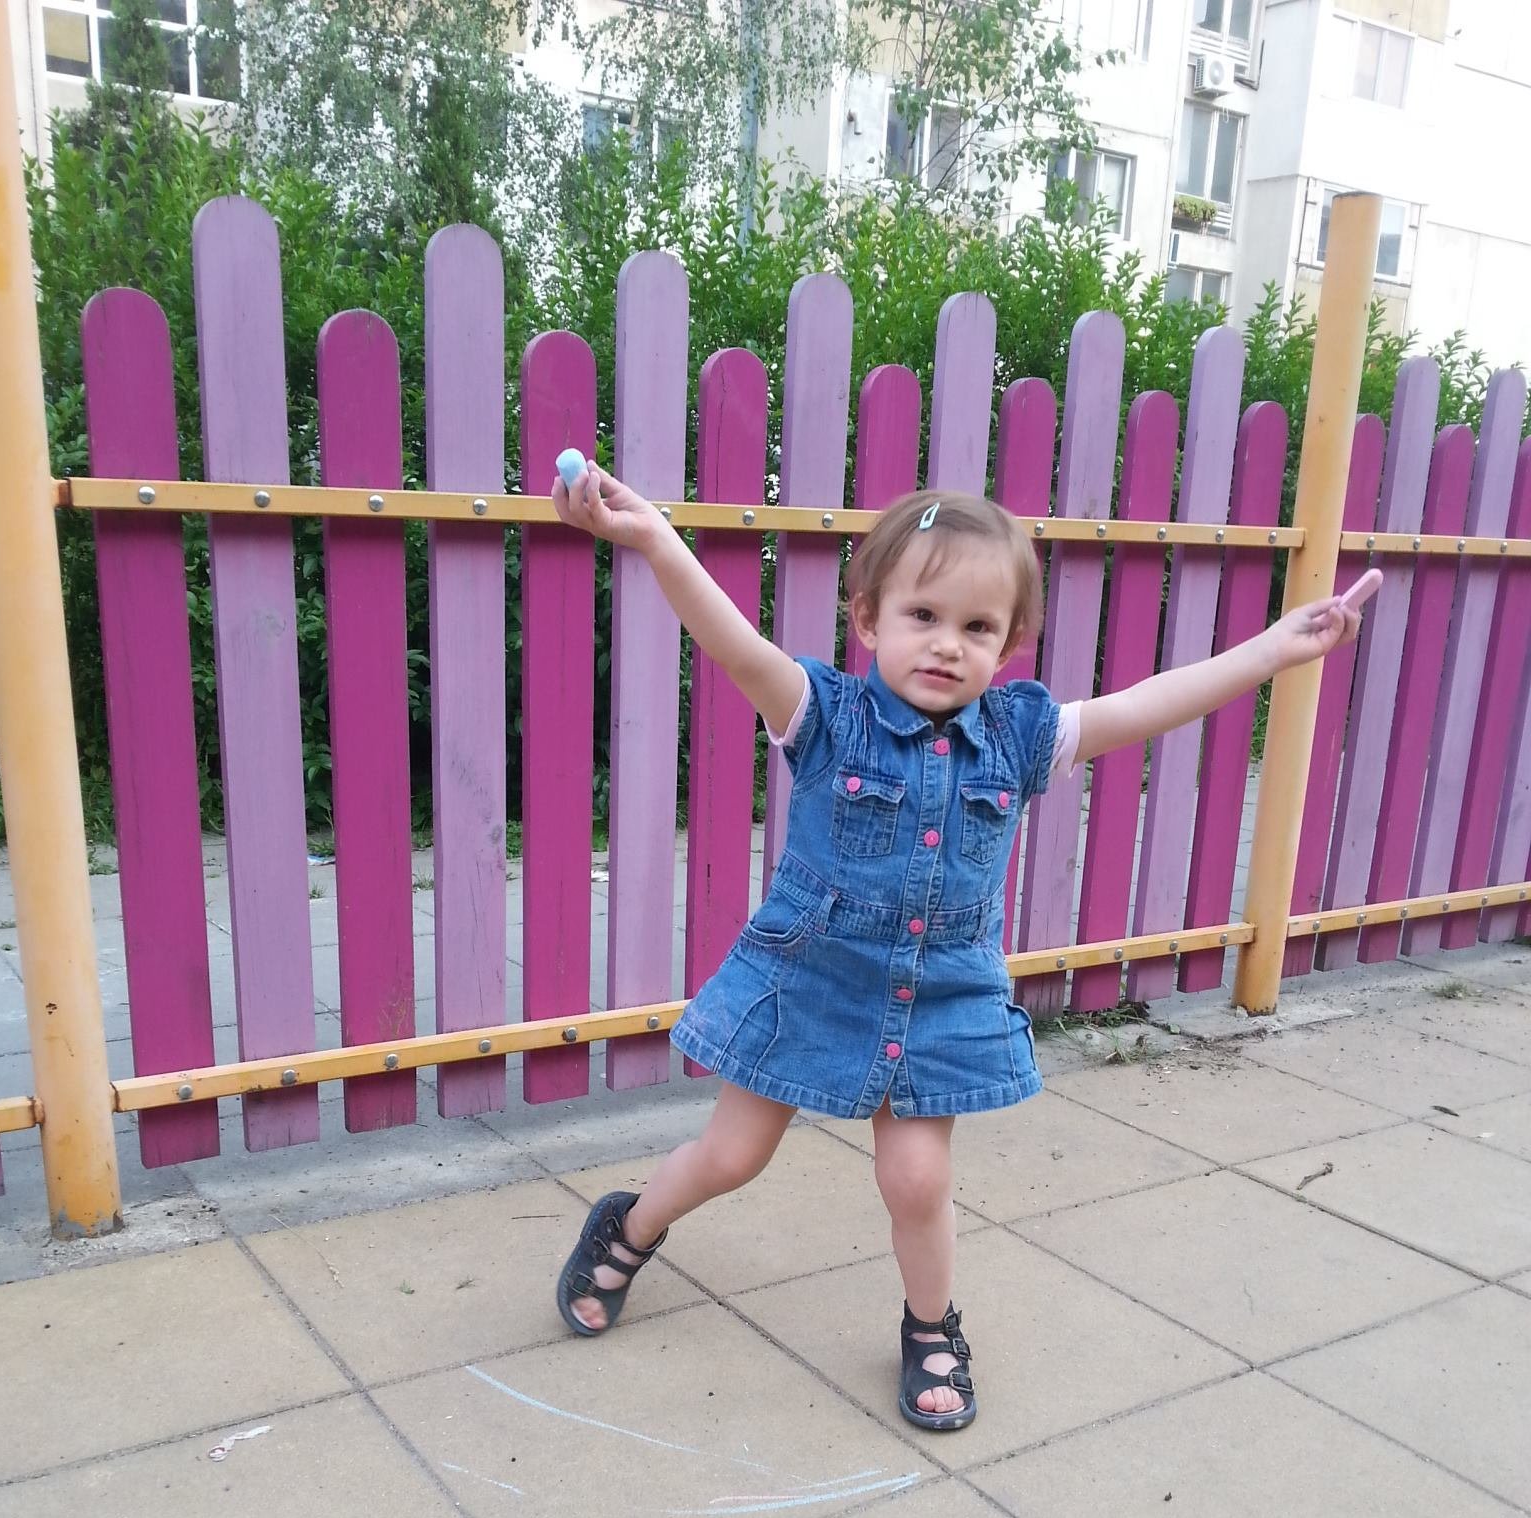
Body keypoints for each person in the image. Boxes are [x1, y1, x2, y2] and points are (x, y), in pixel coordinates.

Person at [549, 461, 1378, 1431]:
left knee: (918, 1177)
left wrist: (1276, 649)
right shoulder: (823, 715)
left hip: (938, 993)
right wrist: (654, 538)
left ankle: (931, 1326)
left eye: (978, 627)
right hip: (811, 980)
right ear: (869, 619)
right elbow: (731, 639)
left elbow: (1151, 702)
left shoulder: (1019, 736)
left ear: (1009, 643)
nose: (948, 644)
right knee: (732, 1156)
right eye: (923, 615)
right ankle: (631, 1223)